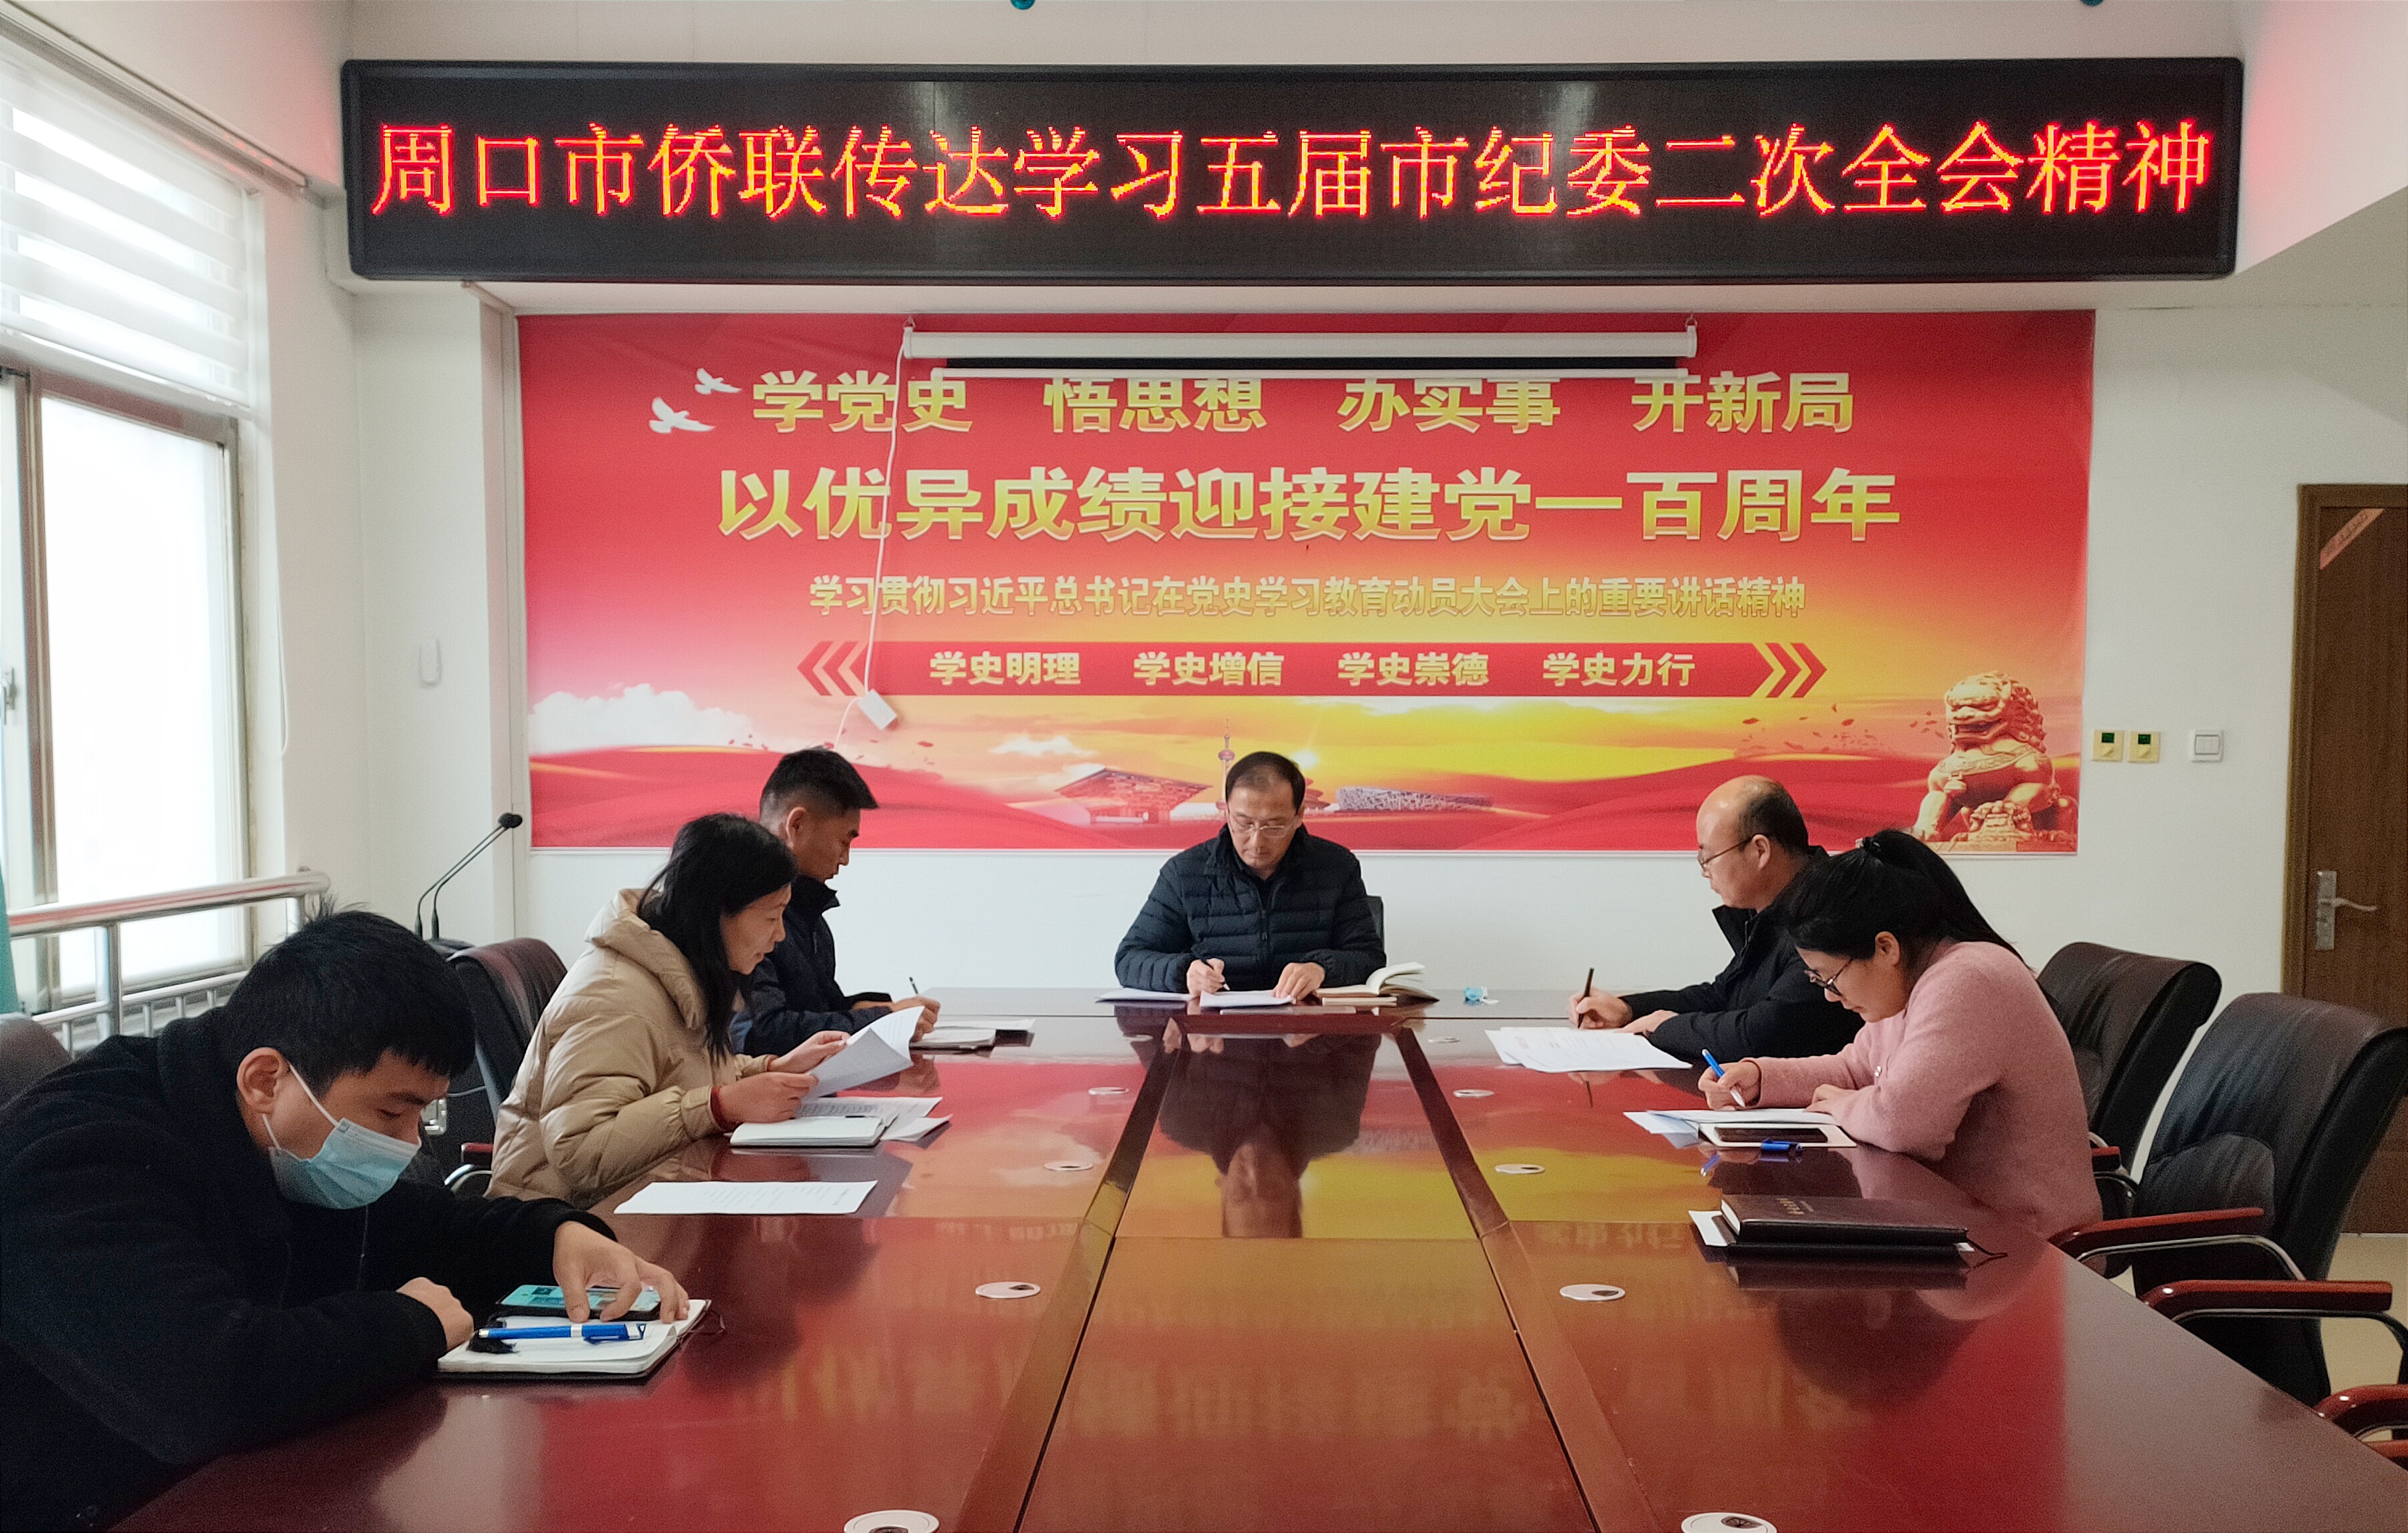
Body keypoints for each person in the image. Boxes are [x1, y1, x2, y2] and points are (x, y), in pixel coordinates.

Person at [0, 911, 688, 1532]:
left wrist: (556, 1234)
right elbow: (202, 1388)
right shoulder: (77, 1159)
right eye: (391, 1112)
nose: (411, 1142)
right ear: (265, 1079)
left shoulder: (269, 1131)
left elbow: (427, 1230)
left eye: (423, 1114)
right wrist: (408, 1324)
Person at [1699, 829, 2100, 1239]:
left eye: (1831, 979)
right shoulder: (1912, 982)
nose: (1831, 997)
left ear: (1885, 948)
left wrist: (1840, 1106)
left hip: (2027, 1246)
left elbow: (1903, 1124)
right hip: (1955, 1223)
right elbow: (1854, 1069)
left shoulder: (1968, 980)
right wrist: (1760, 1078)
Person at [491, 813, 854, 1207]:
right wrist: (716, 1107)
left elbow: (677, 1069)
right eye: (770, 916)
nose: (780, 934)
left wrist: (773, 1067)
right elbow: (582, 1151)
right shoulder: (615, 997)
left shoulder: (680, 968)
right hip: (565, 1222)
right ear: (714, 913)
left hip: (642, 1200)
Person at [1568, 775, 1858, 1066]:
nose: (1705, 872)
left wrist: (1666, 1028)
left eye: (1707, 858)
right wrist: (1629, 1009)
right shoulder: (1775, 909)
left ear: (1760, 851)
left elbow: (1764, 1034)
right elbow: (1724, 996)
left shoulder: (1827, 913)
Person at [1115, 751, 1384, 1001]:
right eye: (1244, 823)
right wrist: (1183, 972)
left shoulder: (1336, 867)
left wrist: (1322, 970)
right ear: (1227, 812)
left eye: (1273, 826)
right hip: (1214, 1028)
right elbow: (1129, 960)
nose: (1256, 842)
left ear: (1299, 815)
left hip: (1307, 1025)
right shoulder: (1185, 873)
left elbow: (1369, 958)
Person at [737, 748, 939, 1052]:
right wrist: (881, 1018)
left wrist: (875, 1010)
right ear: (797, 825)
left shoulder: (809, 915)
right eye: (844, 841)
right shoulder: (743, 910)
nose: (845, 859)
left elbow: (818, 1010)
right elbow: (762, 1033)